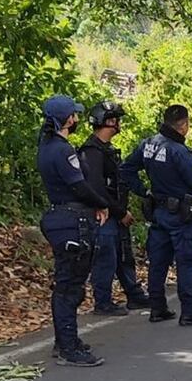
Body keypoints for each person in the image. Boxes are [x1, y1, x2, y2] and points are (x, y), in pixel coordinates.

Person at [121, 105, 192, 325]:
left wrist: (143, 191)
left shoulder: (148, 144)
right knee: (186, 261)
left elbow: (126, 169)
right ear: (184, 126)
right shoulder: (178, 151)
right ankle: (190, 311)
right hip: (182, 217)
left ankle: (157, 307)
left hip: (158, 212)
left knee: (158, 261)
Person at [36, 95, 110, 367]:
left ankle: (65, 341)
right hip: (72, 221)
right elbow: (79, 185)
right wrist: (101, 204)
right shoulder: (62, 150)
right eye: (74, 115)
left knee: (68, 283)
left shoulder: (45, 146)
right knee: (70, 287)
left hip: (61, 218)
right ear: (67, 119)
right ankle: (68, 347)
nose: (77, 119)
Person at [80, 100, 150, 317]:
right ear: (106, 122)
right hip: (104, 216)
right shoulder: (92, 152)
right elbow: (96, 189)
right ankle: (103, 302)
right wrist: (119, 212)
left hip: (115, 213)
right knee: (106, 259)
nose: (118, 124)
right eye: (115, 120)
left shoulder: (107, 151)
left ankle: (134, 294)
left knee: (123, 255)